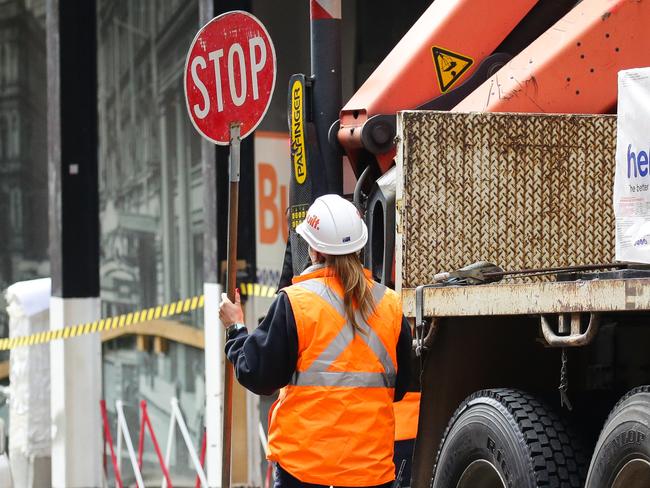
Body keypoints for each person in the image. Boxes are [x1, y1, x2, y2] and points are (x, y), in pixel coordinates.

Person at [219, 194, 413, 488]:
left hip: (304, 471)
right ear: (360, 247)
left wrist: (236, 329)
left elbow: (258, 376)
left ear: (313, 250)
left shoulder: (297, 304)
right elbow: (400, 388)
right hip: (369, 474)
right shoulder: (390, 305)